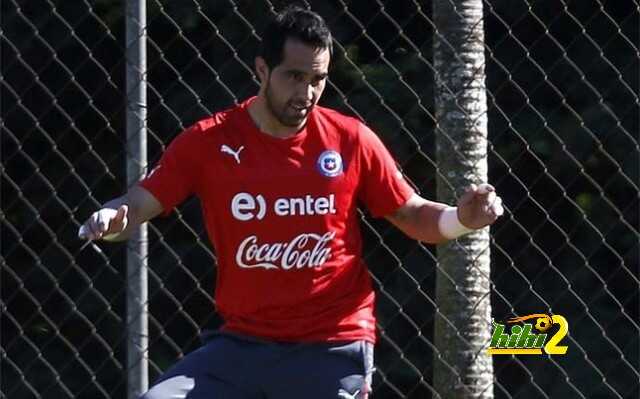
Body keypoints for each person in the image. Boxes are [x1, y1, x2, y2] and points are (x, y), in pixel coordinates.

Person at [78, 6, 503, 399]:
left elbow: (411, 213)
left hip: (333, 347)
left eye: (317, 79)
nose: (307, 92)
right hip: (241, 346)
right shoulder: (209, 141)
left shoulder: (350, 139)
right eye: (294, 77)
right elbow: (141, 202)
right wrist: (114, 217)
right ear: (261, 70)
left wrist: (461, 218)